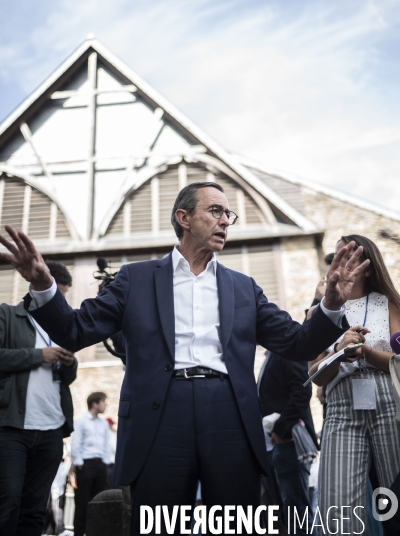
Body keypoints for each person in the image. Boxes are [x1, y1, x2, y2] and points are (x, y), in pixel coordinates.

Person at [0, 182, 369, 535]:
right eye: (215, 211)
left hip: (229, 413)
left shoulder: (244, 287)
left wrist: (332, 304)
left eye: (229, 215)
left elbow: (297, 343)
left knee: (235, 522)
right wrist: (42, 284)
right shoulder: (135, 279)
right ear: (184, 218)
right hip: (159, 414)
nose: (225, 220)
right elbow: (75, 331)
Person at [308, 234, 400, 534]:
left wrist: (366, 352)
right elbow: (315, 375)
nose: (342, 262)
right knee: (337, 510)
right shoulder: (319, 312)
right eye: (338, 256)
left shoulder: (389, 304)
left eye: (351, 255)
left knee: (396, 500)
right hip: (341, 406)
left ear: (369, 268)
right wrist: (338, 352)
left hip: (389, 399)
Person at [0, 261, 77, 536]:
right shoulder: (7, 315)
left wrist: (69, 362)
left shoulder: (62, 328)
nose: (60, 303)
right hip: (11, 427)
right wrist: (38, 356)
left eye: (63, 297)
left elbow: (68, 379)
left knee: (35, 510)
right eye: (58, 295)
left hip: (51, 430)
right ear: (38, 287)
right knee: (7, 502)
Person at [258, 351, 317, 535]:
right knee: (288, 514)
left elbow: (302, 390)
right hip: (274, 445)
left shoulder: (287, 351)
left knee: (297, 516)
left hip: (289, 442)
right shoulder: (271, 355)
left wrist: (281, 429)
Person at [71, 391, 109, 536]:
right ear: (95, 403)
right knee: (83, 503)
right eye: (103, 401)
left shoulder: (104, 423)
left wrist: (105, 462)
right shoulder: (81, 422)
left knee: (99, 502)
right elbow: (76, 444)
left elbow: (105, 445)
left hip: (100, 465)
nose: (105, 404)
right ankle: (79, 533)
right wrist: (80, 464)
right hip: (86, 465)